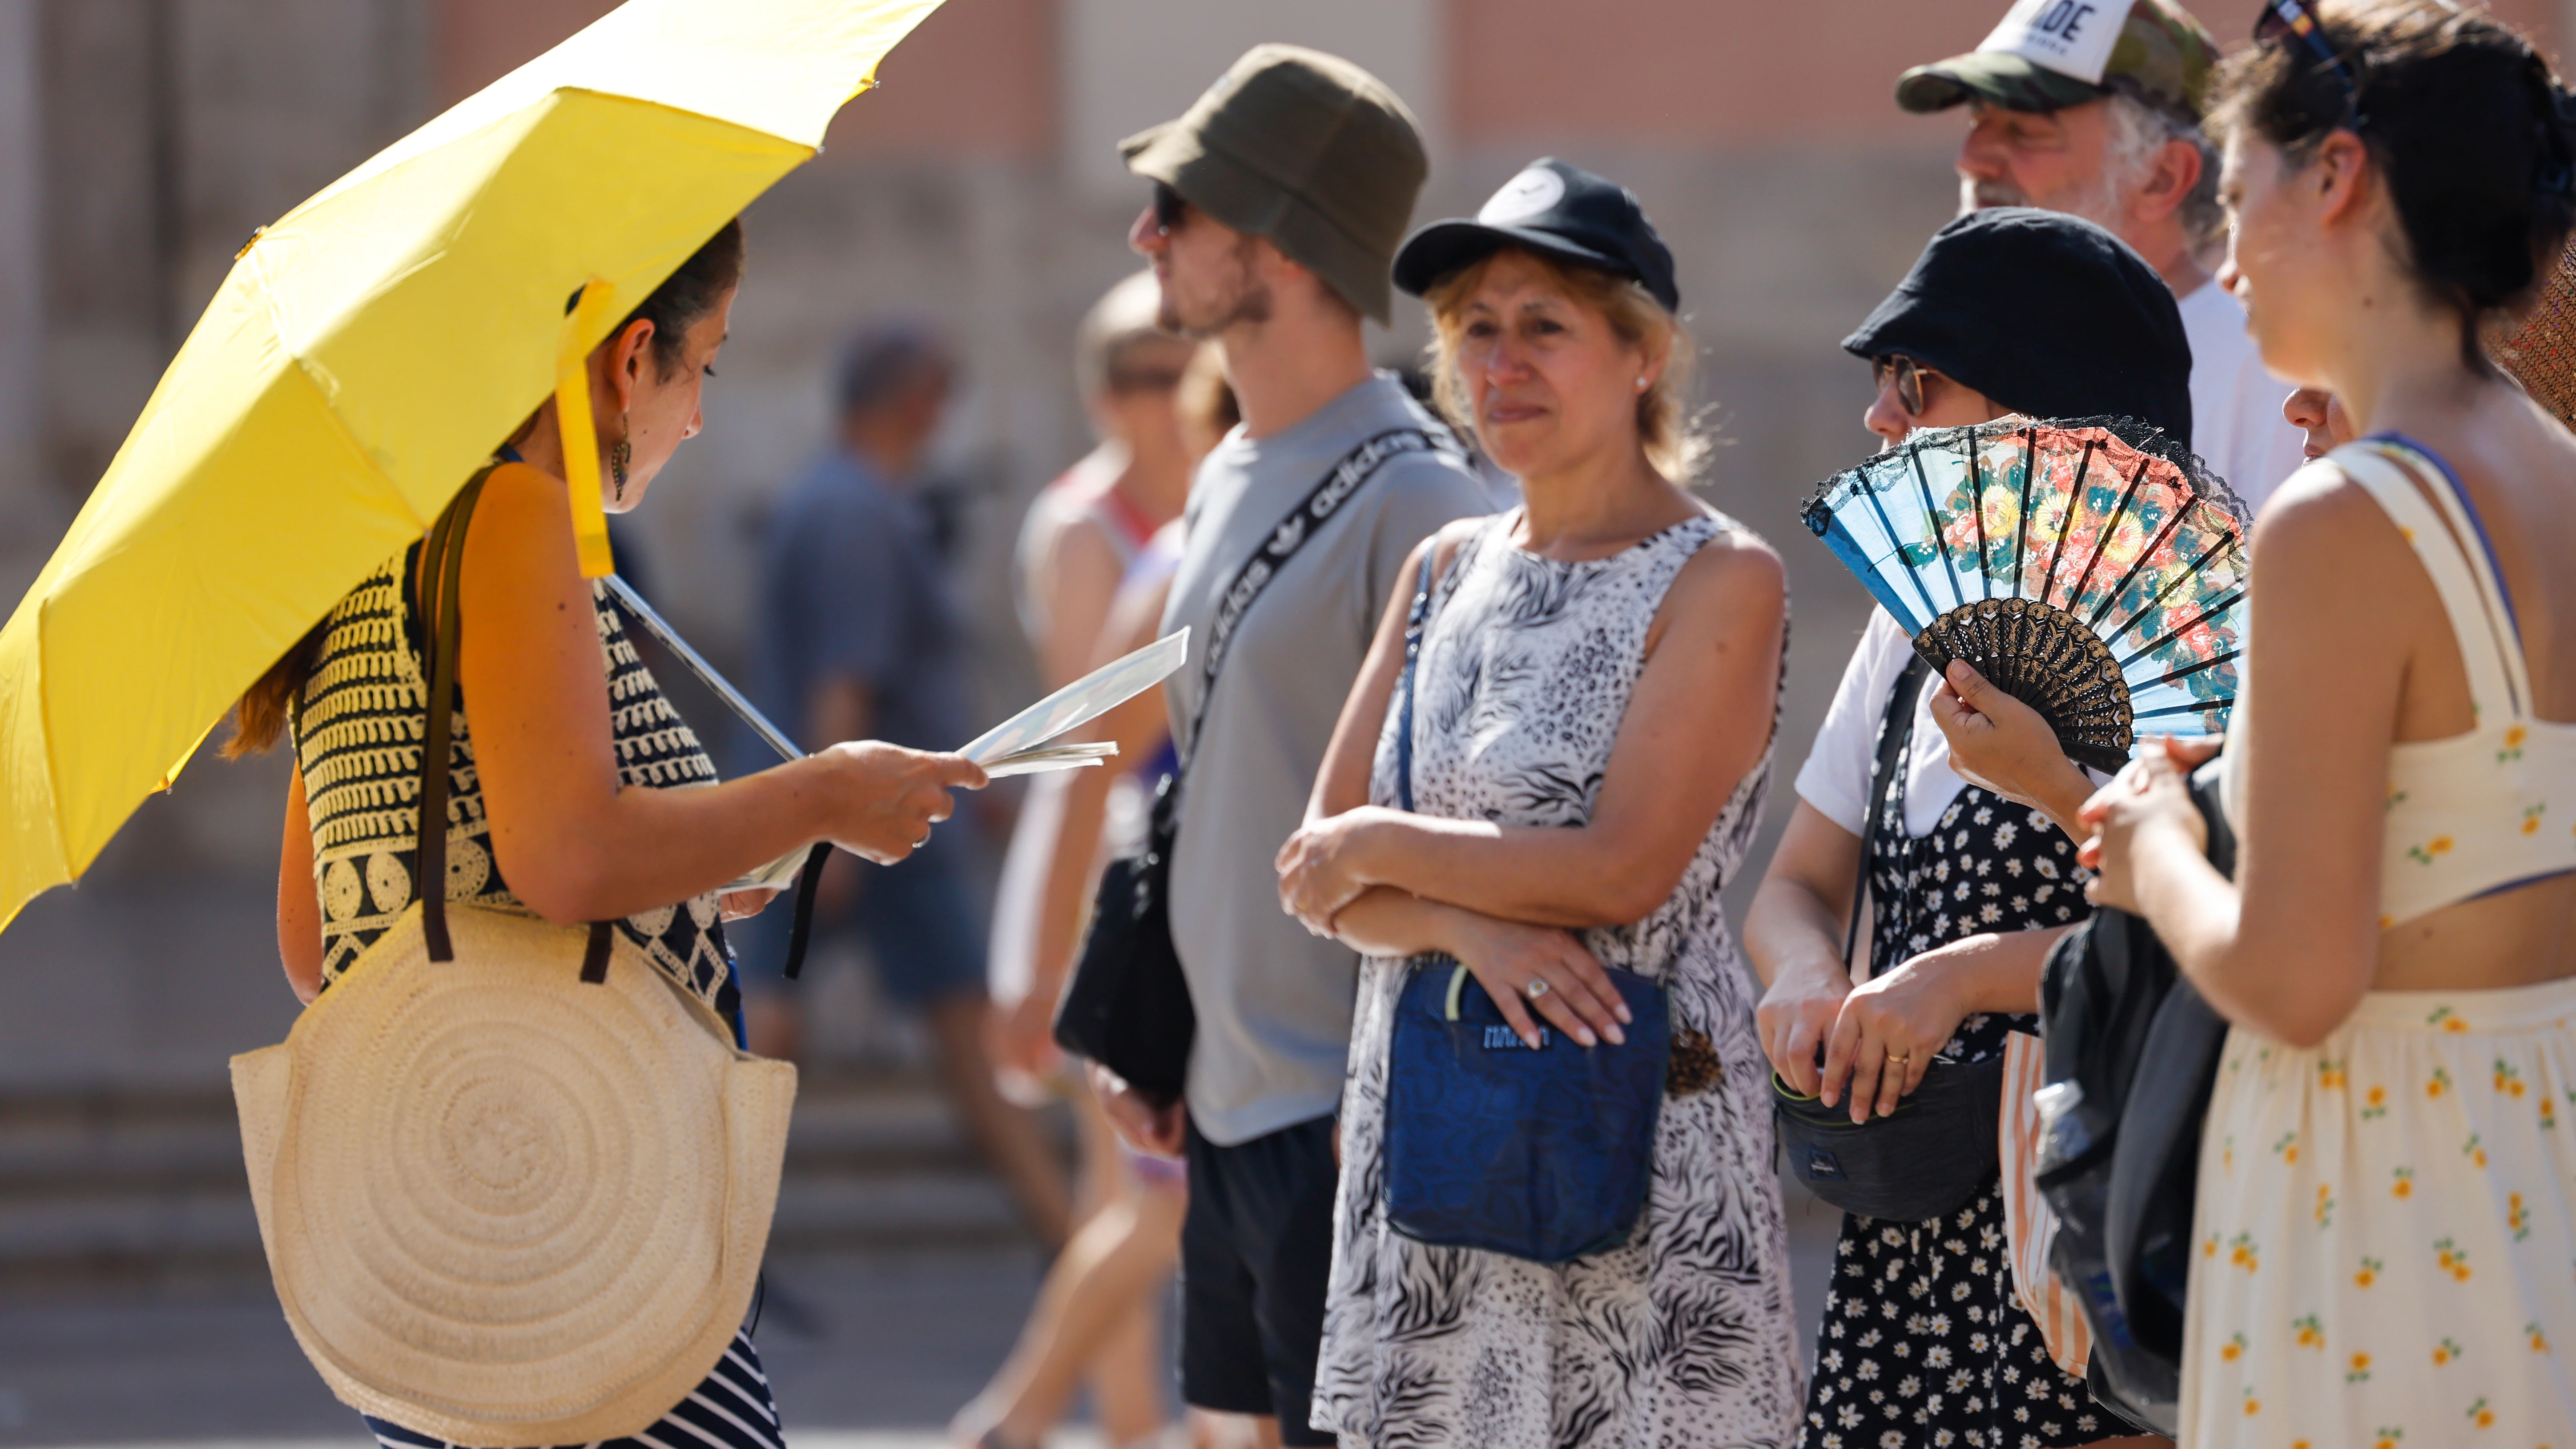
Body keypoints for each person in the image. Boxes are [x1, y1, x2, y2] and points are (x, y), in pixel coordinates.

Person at [229, 221, 988, 1449]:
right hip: (586, 1228)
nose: (696, 415)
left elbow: (326, 941)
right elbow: (568, 857)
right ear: (631, 357)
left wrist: (684, 880)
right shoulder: (516, 518)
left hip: (431, 1251)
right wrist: (826, 793)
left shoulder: (371, 551)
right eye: (708, 364)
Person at [2079, 4, 2576, 1442]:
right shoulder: (2555, 479)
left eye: (2239, 197)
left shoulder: (2344, 517)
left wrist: (2159, 841)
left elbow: (2296, 976)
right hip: (2536, 1148)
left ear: (2338, 177)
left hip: (2382, 1189)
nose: (2226, 260)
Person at [1273, 157, 1801, 1446]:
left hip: (1641, 1149)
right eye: (1474, 331)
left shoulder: (1722, 576)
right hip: (1443, 1152)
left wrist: (1390, 850)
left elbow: (1620, 870)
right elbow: (1312, 877)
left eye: (1545, 327)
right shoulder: (1443, 565)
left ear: (1642, 355)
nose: (1501, 363)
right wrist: (1468, 929)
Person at [1091, 44, 1496, 1449]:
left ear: (1274, 239)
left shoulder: (1427, 499)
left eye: (1179, 208)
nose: (1146, 233)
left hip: (1349, 1128)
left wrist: (1378, 1115)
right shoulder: (1222, 475)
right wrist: (1167, 1039)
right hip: (1225, 1114)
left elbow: (1485, 833)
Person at [1742, 207, 2193, 1449]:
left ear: (2045, 409)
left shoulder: (2178, 633)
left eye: (1917, 382)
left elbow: (2215, 934)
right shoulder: (1908, 626)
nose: (1882, 418)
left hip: (2103, 1231)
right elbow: (1795, 882)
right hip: (1917, 1242)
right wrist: (1808, 976)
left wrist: (1960, 976)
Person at [743, 321, 1073, 1252]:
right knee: (791, 1011)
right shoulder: (855, 509)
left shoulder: (840, 498)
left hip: (871, 805)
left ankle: (1064, 1236)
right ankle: (698, 1226)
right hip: (868, 812)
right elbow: (843, 676)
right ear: (911, 400)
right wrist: (828, 827)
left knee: (942, 1022)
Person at [955, 281, 1210, 1449]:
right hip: (1116, 875)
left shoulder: (1210, 505)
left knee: (1133, 1190)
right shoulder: (1083, 528)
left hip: (1179, 875)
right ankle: (1034, 1416)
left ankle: (1121, 1425)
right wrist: (1052, 949)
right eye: (1149, 376)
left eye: (1186, 369)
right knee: (1143, 1192)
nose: (1174, 398)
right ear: (1108, 396)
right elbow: (1087, 742)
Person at [1896, 0, 2309, 512]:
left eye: (2025, 130)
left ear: (2161, 178)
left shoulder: (2268, 380)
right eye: (1977, 120)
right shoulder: (1963, 371)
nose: (1969, 158)